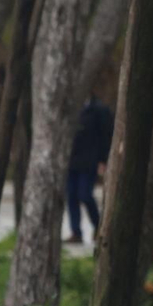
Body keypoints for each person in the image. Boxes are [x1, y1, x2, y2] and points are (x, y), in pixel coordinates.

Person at [66, 97, 113, 243]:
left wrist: (103, 160)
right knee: (71, 196)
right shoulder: (70, 107)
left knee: (85, 194)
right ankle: (76, 232)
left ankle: (98, 226)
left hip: (89, 161)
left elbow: (106, 136)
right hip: (71, 161)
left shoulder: (98, 110)